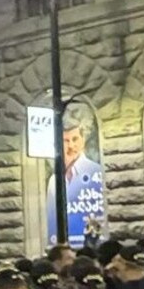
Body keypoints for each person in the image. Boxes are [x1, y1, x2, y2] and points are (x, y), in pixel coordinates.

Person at [45, 104, 104, 248]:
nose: (71, 146)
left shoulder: (97, 172)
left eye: (75, 139)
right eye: (65, 141)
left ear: (83, 140)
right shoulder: (54, 182)